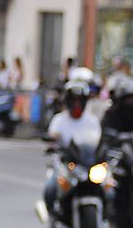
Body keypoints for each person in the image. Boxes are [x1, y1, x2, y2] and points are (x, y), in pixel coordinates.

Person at [41, 80, 103, 216]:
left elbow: (98, 141)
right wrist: (53, 140)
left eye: (80, 101)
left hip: (88, 162)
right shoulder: (59, 120)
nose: (77, 104)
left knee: (108, 187)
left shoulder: (92, 120)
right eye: (73, 100)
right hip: (66, 162)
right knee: (51, 189)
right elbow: (52, 138)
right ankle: (53, 216)